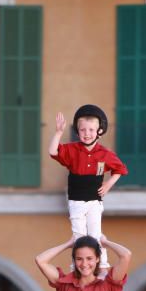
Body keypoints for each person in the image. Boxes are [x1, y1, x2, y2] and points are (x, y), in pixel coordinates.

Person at [49, 105, 128, 274]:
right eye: (82, 130)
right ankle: (75, 267)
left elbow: (120, 170)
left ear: (99, 131)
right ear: (77, 132)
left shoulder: (105, 154)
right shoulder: (71, 150)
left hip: (94, 200)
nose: (87, 133)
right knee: (79, 235)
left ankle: (102, 266)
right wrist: (58, 133)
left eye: (91, 129)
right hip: (76, 200)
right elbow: (53, 151)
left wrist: (108, 184)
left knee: (95, 234)